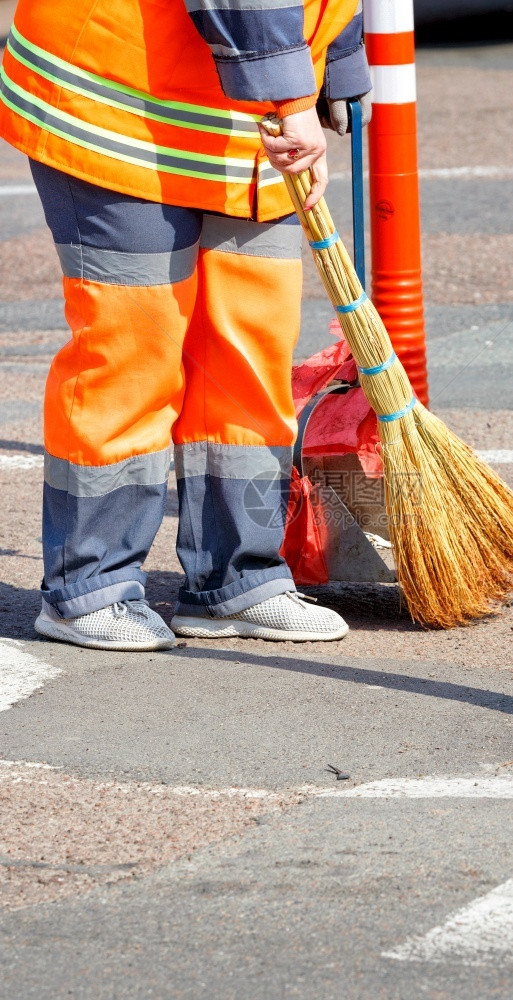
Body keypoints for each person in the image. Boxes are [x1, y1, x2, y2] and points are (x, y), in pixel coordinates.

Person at [0, 0, 372, 650]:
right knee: (133, 348)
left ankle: (239, 579)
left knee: (248, 349)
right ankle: (89, 588)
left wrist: (336, 66)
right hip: (118, 101)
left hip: (242, 116)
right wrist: (292, 98)